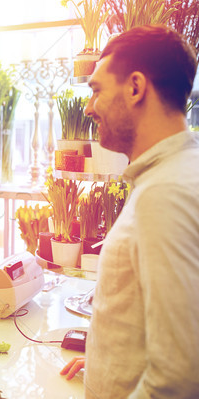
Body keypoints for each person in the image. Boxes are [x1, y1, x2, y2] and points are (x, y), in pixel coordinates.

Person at [60, 25, 199, 397]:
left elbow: (179, 375)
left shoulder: (165, 193)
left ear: (136, 88)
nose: (89, 108)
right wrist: (113, 354)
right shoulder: (176, 173)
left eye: (97, 91)